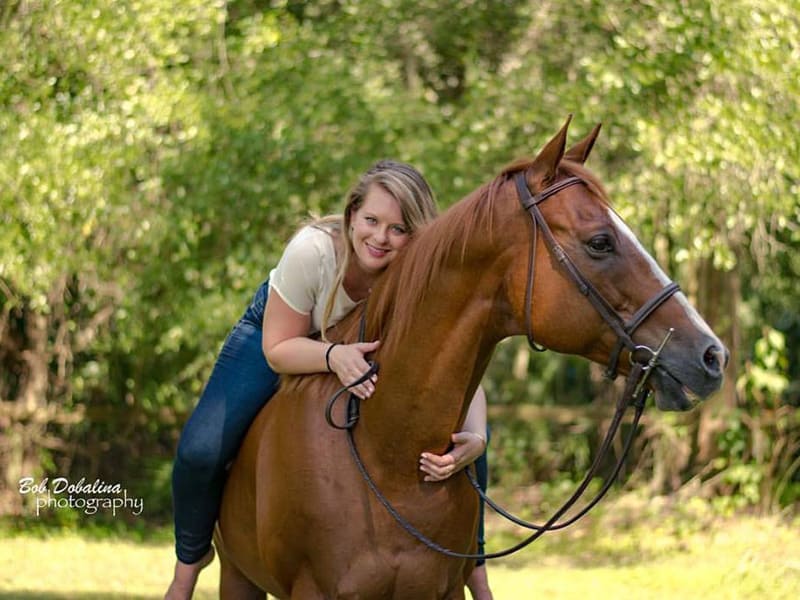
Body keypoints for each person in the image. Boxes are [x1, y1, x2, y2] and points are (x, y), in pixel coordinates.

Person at [165, 160, 493, 600]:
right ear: (352, 213)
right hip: (285, 335)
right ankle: (187, 569)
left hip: (357, 350)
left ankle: (475, 573)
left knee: (464, 447)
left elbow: (454, 367)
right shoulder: (313, 251)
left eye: (398, 229)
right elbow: (278, 350)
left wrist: (476, 436)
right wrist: (333, 355)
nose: (380, 238)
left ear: (416, 235)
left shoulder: (420, 275)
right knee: (200, 450)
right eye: (372, 220)